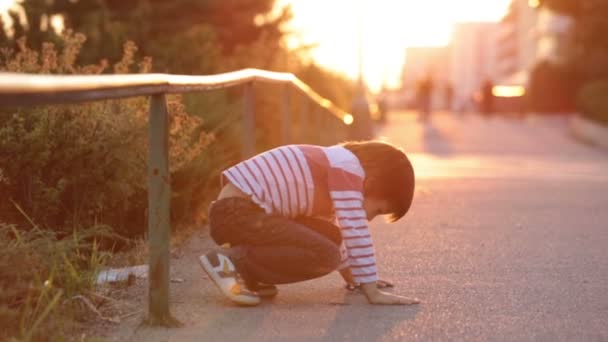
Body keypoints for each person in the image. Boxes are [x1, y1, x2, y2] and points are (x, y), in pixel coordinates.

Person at [199, 140, 419, 306]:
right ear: (372, 183)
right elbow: (355, 230)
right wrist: (372, 290)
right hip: (237, 214)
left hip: (244, 215)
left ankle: (248, 273)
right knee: (326, 255)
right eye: (378, 210)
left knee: (331, 237)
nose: (369, 219)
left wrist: (357, 278)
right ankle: (230, 261)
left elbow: (336, 236)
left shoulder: (336, 169)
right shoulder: (348, 170)